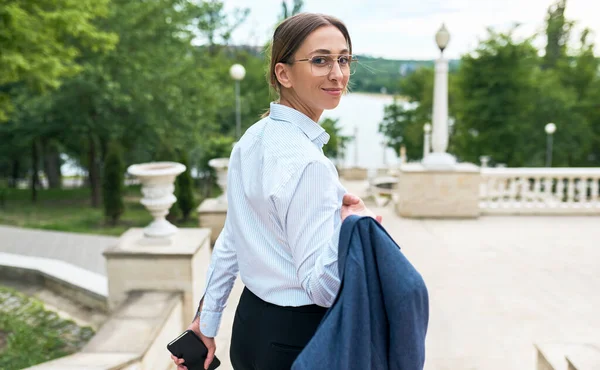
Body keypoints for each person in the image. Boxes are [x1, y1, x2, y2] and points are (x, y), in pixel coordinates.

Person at [171, 12, 380, 370]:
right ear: (283, 73)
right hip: (299, 339)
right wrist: (354, 227)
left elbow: (231, 239)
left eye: (343, 59)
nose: (337, 74)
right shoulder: (309, 165)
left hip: (251, 328)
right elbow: (322, 289)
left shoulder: (250, 140)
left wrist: (206, 325)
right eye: (320, 60)